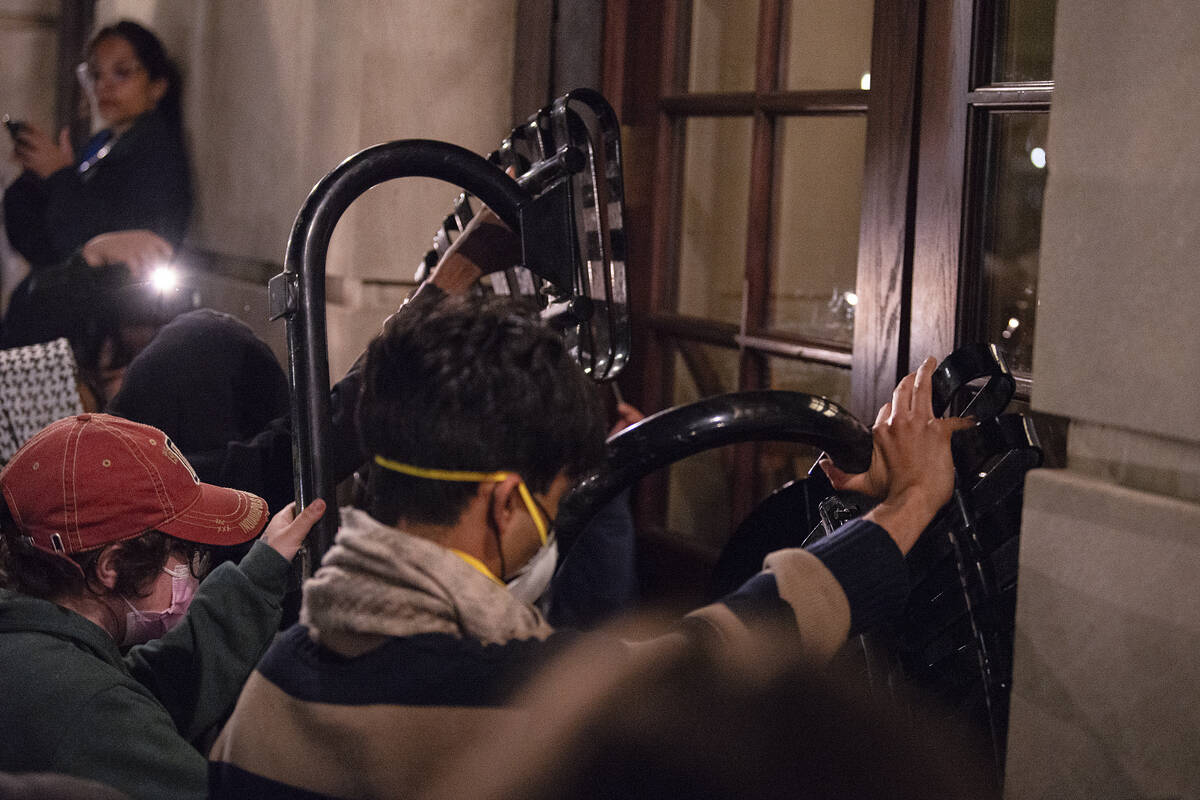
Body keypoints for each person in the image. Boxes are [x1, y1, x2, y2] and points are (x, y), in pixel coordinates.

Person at [207, 294, 971, 798]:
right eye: (553, 499)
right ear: (506, 500)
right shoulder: (521, 705)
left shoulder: (270, 687)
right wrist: (911, 506)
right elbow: (717, 653)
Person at [0, 413, 327, 800]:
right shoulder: (85, 707)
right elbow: (115, 710)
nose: (193, 569)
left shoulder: (35, 651)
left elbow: (146, 689)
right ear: (112, 566)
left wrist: (261, 574)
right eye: (184, 551)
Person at [3, 20, 191, 268]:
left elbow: (99, 247)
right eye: (95, 75)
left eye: (122, 72)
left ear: (157, 86)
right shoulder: (99, 144)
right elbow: (42, 243)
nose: (104, 86)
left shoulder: (157, 155)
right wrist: (36, 178)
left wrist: (58, 175)